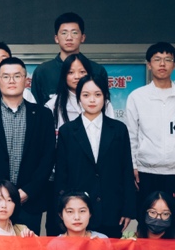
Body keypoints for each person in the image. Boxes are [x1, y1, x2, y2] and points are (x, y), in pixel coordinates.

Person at [0, 58, 54, 234]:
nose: (12, 81)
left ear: (26, 80)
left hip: (29, 202)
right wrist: (0, 194)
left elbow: (48, 157)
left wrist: (28, 191)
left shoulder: (43, 115)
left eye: (17, 76)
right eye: (6, 77)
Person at [125, 42, 175, 225]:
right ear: (149, 64)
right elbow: (130, 135)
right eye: (157, 59)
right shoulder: (137, 96)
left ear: (174, 65)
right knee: (145, 217)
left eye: (167, 59)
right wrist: (132, 166)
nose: (162, 64)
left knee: (171, 218)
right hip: (145, 170)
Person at [54, 76, 136, 239]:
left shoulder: (119, 129)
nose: (92, 100)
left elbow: (126, 170)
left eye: (97, 94)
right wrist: (63, 209)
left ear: (105, 97)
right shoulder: (67, 131)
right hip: (78, 213)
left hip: (112, 210)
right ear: (79, 98)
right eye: (86, 95)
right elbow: (61, 175)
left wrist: (128, 209)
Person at [29, 12, 109, 105]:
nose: (69, 38)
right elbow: (35, 107)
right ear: (56, 38)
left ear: (82, 37)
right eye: (64, 33)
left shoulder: (97, 70)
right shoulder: (42, 71)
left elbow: (104, 105)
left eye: (74, 33)